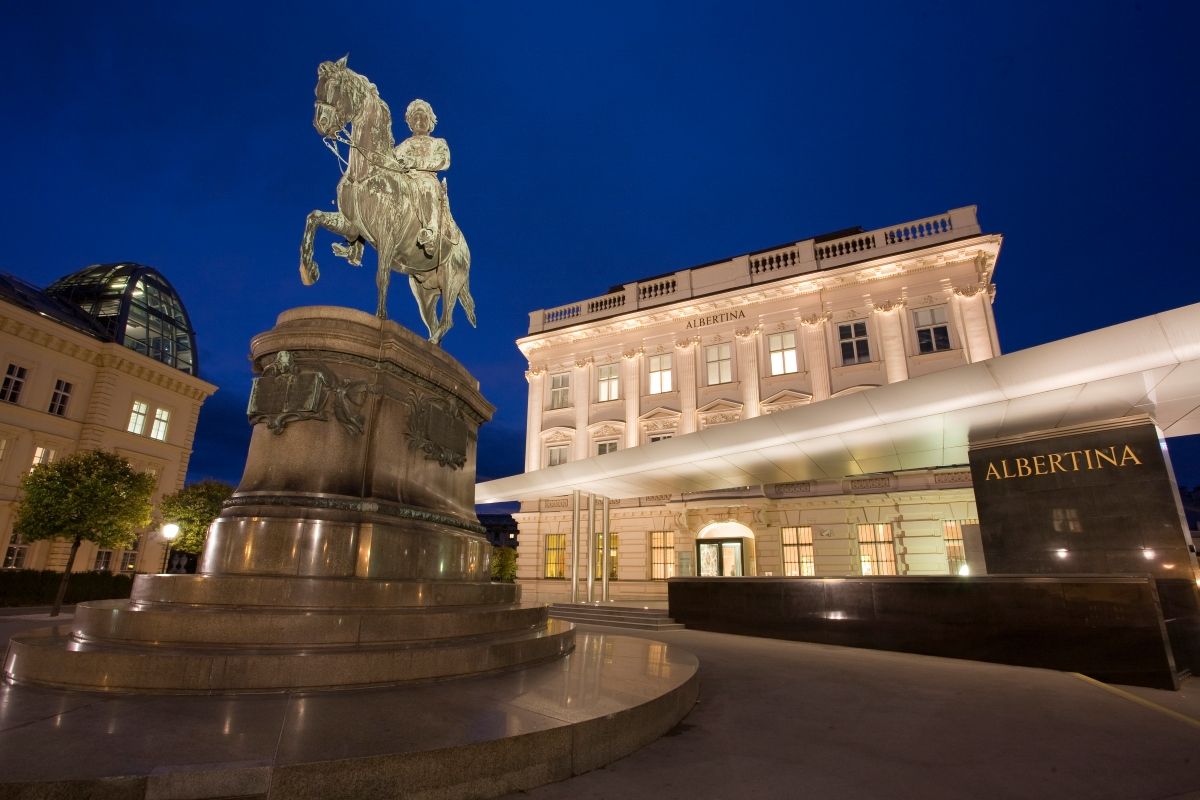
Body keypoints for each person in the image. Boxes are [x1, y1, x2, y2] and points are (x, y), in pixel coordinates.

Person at [394, 99, 453, 257]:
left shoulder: (438, 143)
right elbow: (391, 160)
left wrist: (413, 162)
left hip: (426, 179)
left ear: (430, 121)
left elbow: (443, 161)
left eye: (423, 117)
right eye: (415, 118)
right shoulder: (404, 145)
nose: (419, 121)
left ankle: (431, 232)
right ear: (410, 123)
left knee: (426, 185)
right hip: (405, 181)